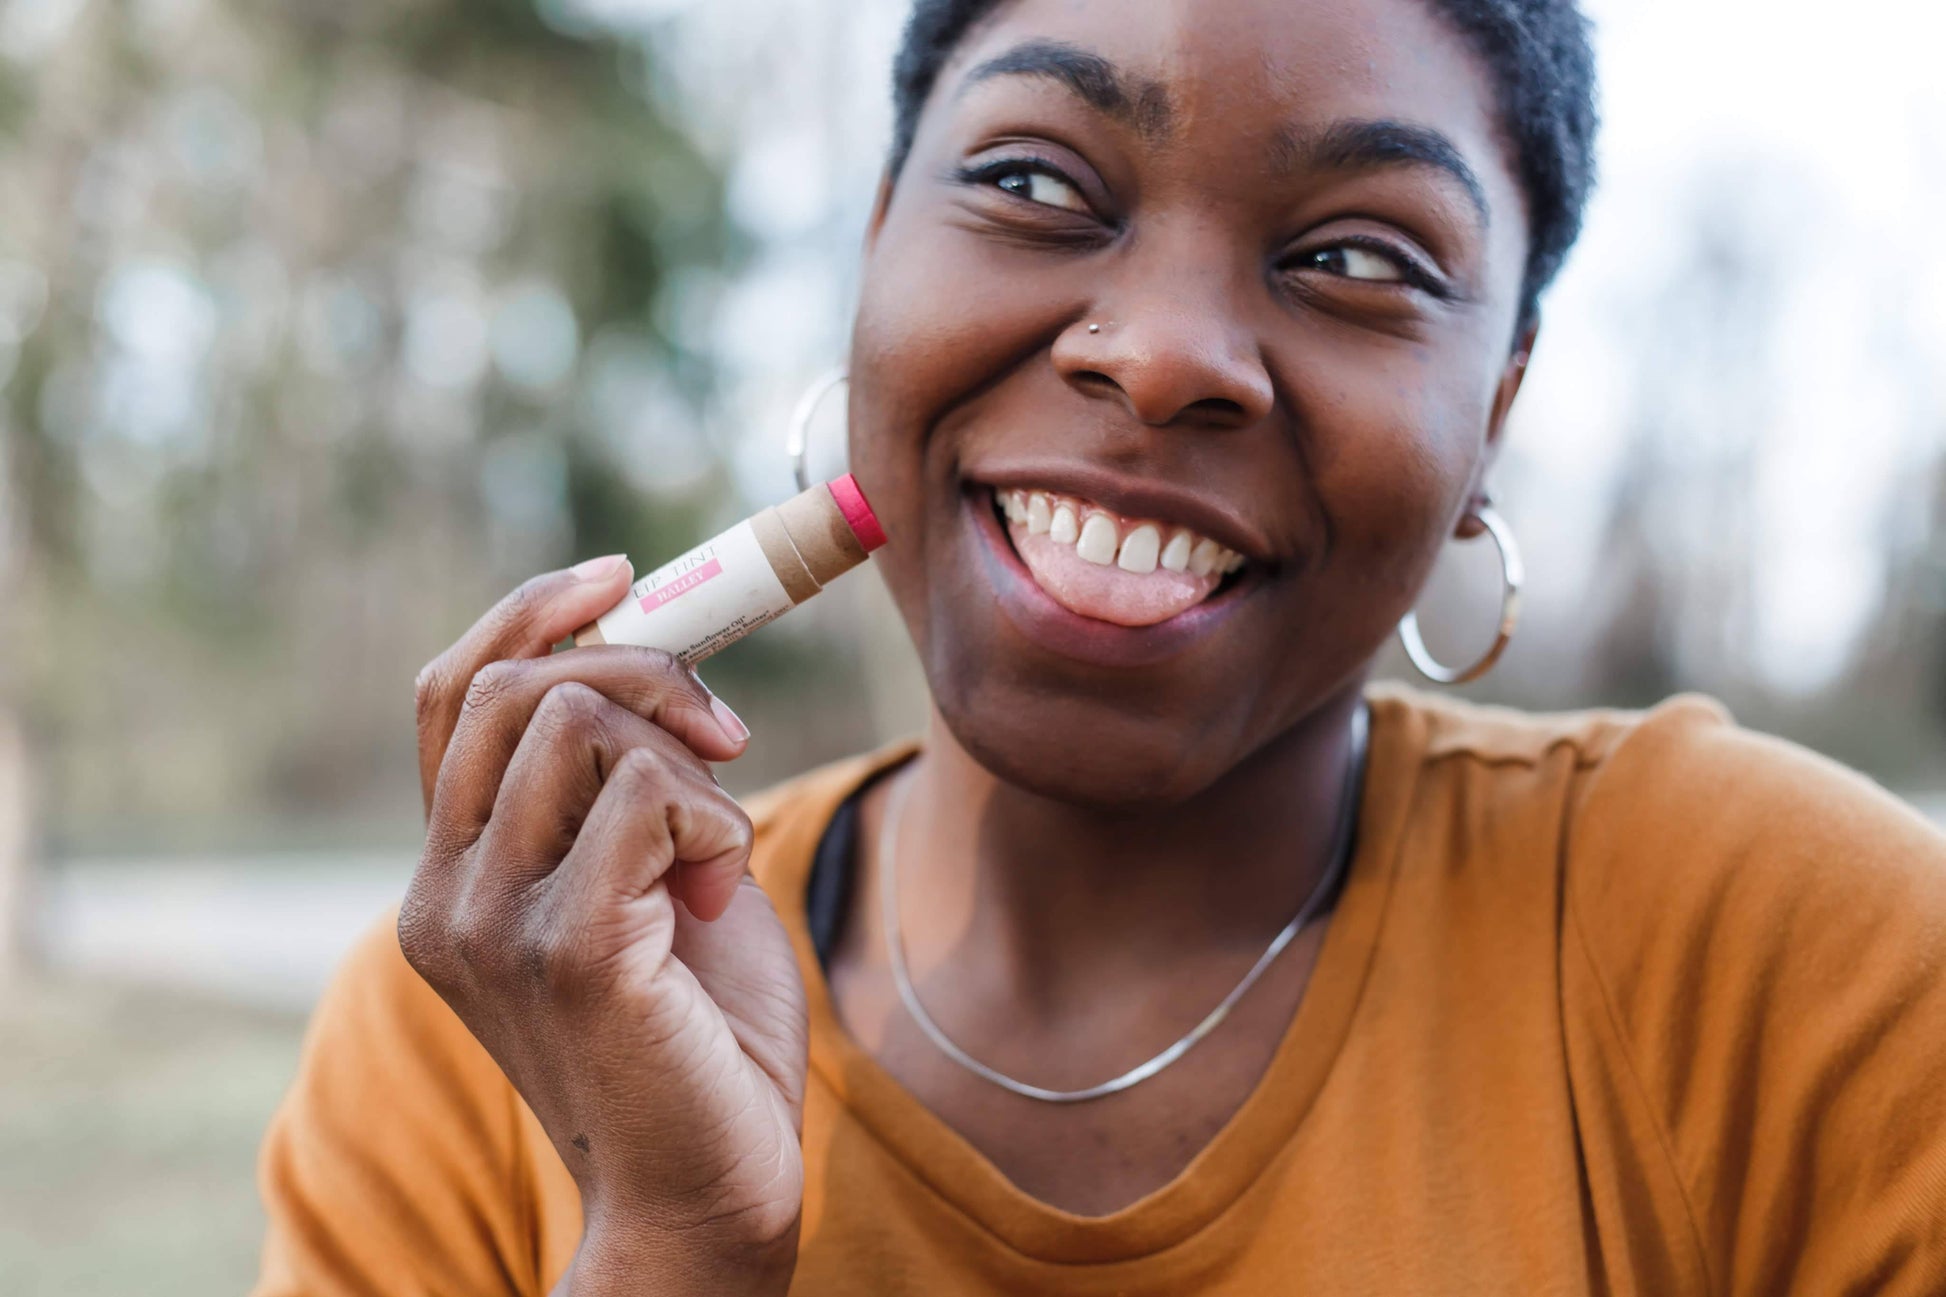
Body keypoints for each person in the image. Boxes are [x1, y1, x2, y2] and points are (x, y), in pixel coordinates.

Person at [250, 0, 1946, 1291]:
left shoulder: (1799, 967)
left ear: (1491, 415)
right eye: (1030, 181)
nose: (1157, 355)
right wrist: (670, 1239)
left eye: (1354, 256)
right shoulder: (486, 1031)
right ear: (873, 252)